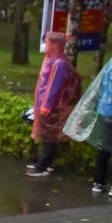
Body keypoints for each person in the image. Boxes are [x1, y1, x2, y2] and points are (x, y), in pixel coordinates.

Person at [26, 32, 82, 177]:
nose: (44, 45)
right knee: (46, 135)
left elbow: (54, 88)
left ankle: (43, 166)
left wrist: (46, 106)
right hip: (46, 105)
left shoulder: (59, 63)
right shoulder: (52, 60)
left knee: (50, 136)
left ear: (55, 45)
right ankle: (45, 162)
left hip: (52, 107)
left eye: (47, 42)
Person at [63, 54, 112, 193]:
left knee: (105, 147)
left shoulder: (110, 64)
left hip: (105, 111)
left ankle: (98, 182)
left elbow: (100, 86)